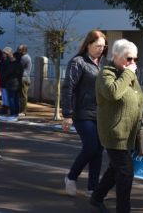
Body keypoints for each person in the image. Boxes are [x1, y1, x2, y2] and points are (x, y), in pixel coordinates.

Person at [89, 39, 143, 213]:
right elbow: (113, 93)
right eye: (129, 58)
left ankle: (97, 197)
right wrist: (129, 73)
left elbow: (137, 96)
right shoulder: (106, 74)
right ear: (115, 56)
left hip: (130, 131)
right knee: (125, 172)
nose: (133, 63)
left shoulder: (127, 74)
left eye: (135, 59)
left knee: (115, 168)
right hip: (115, 132)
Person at [61, 29, 108, 197]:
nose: (101, 49)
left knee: (98, 150)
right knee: (91, 146)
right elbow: (68, 88)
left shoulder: (104, 64)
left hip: (100, 113)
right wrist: (67, 114)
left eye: (103, 46)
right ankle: (71, 177)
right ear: (88, 44)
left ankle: (93, 188)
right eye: (97, 46)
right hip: (81, 113)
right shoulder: (78, 62)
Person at [3, 47, 23, 120]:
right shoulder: (20, 64)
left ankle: (13, 113)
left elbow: (8, 73)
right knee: (16, 99)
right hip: (18, 83)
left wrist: (6, 76)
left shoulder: (13, 64)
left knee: (11, 99)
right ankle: (16, 112)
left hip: (12, 83)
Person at [15, 45, 32, 116]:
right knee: (21, 95)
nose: (18, 51)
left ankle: (23, 111)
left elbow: (18, 66)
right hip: (22, 78)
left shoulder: (25, 57)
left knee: (23, 95)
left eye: (19, 50)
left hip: (24, 78)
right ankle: (20, 110)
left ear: (24, 50)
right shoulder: (23, 57)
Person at [0, 47, 9, 115]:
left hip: (4, 80)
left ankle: (5, 108)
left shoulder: (5, 60)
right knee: (3, 96)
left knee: (5, 95)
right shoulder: (1, 60)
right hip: (1, 79)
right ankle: (4, 108)